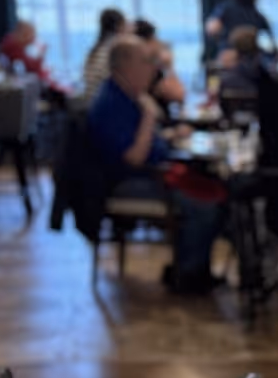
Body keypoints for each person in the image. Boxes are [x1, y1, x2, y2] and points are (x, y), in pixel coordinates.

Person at [88, 37, 226, 294]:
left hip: (149, 173)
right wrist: (150, 116)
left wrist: (169, 136)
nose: (153, 68)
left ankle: (192, 268)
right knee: (204, 205)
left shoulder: (129, 96)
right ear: (126, 66)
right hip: (128, 183)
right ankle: (187, 276)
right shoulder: (110, 103)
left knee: (217, 188)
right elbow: (134, 157)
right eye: (146, 62)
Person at [205, 0, 273, 62]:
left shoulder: (225, 8)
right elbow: (270, 40)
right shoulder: (256, 15)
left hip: (230, 56)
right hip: (250, 59)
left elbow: (212, 29)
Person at [78, 7, 128, 105]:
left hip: (92, 106)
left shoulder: (96, 49)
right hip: (105, 105)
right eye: (125, 25)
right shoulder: (114, 50)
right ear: (119, 26)